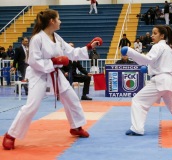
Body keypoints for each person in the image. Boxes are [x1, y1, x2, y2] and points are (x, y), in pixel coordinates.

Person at [2, 9, 101, 150]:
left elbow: (71, 52)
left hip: (54, 73)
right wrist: (54, 61)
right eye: (58, 19)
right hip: (39, 74)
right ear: (52, 21)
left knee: (71, 98)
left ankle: (76, 127)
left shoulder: (56, 37)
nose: (60, 21)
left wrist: (89, 47)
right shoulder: (37, 39)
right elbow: (33, 60)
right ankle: (10, 135)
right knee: (32, 106)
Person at [121, 25, 172, 136]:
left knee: (138, 101)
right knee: (171, 104)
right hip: (169, 80)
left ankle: (137, 128)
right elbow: (161, 64)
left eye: (155, 33)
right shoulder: (169, 48)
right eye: (152, 33)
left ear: (162, 35)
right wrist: (149, 70)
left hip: (160, 80)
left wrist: (130, 52)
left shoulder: (157, 46)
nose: (152, 35)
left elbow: (148, 59)